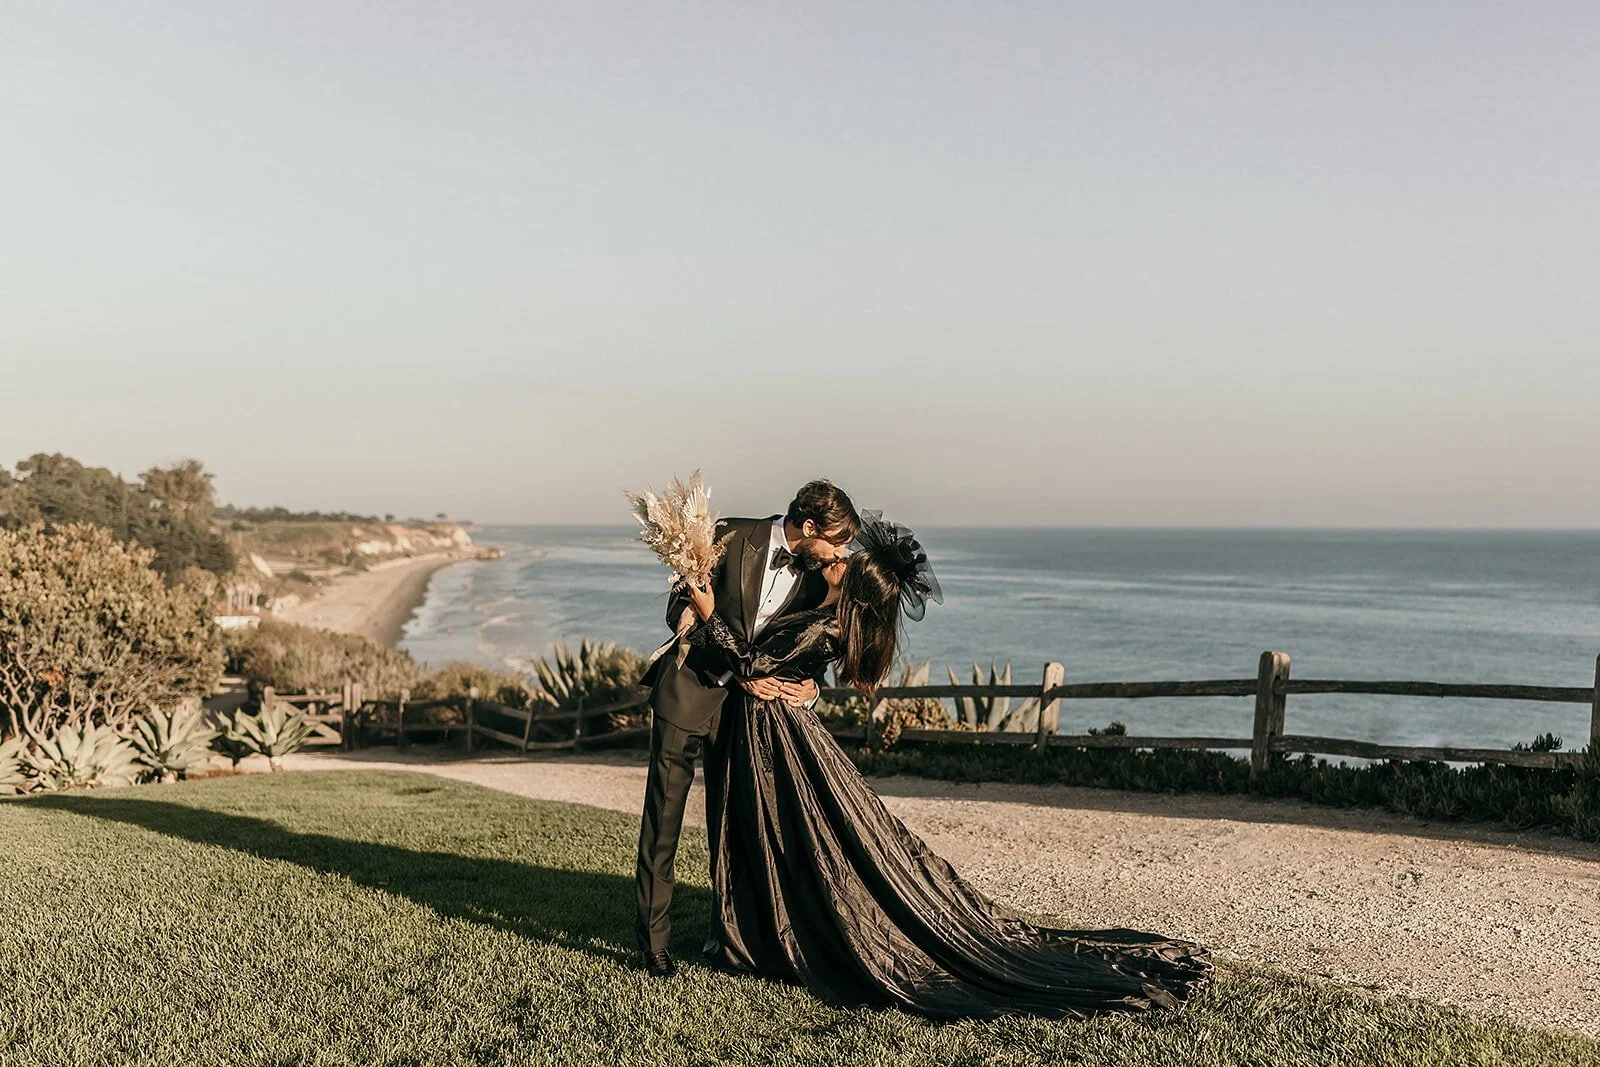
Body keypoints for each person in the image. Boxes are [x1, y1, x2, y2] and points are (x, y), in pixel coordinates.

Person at [676, 512, 1213, 1019]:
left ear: (856, 584)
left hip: (777, 737)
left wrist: (707, 610)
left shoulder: (827, 626)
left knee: (791, 836)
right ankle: (762, 928)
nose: (839, 556)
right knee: (779, 835)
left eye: (847, 559)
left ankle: (769, 934)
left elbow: (751, 663)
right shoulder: (826, 607)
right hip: (773, 731)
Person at [634, 479, 860, 978]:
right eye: (838, 538)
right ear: (808, 526)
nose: (843, 550)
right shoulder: (729, 534)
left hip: (747, 718)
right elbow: (679, 610)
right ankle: (653, 942)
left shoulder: (818, 577)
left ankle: (729, 934)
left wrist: (812, 689)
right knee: (664, 818)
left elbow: (807, 644)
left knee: (732, 828)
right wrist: (738, 669)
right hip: (688, 691)